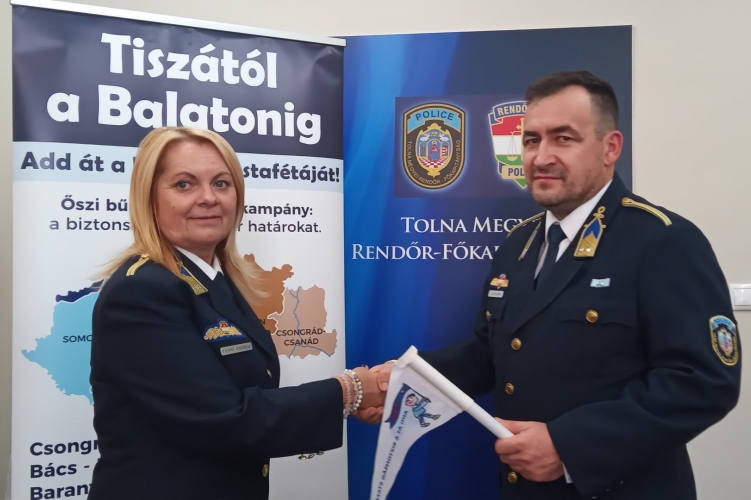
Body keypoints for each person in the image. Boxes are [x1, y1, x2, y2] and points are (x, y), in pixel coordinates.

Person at [367, 71, 741, 499]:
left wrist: (569, 447)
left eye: (563, 139)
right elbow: (489, 354)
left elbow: (703, 381)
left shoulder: (662, 241)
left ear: (610, 148)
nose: (541, 157)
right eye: (531, 140)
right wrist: (400, 381)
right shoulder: (519, 244)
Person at [88, 126, 384, 500]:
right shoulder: (141, 291)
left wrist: (352, 398)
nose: (208, 198)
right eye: (184, 184)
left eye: (222, 183)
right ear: (149, 198)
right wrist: (348, 391)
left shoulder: (213, 280)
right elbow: (225, 420)